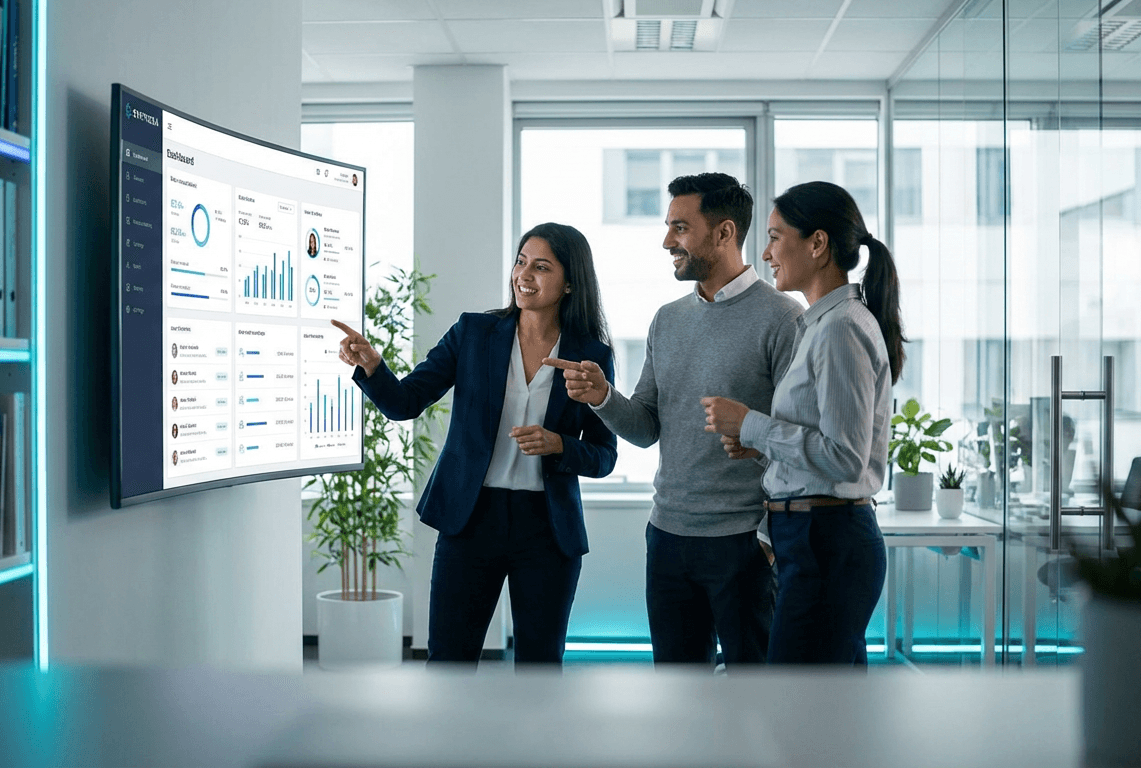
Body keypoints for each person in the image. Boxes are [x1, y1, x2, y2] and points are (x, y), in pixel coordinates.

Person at [332, 222, 617, 666]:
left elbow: (604, 456)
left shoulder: (591, 356)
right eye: (521, 261)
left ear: (570, 283)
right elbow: (406, 402)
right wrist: (373, 367)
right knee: (449, 660)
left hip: (546, 529)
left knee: (541, 665)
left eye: (541, 267)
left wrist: (559, 445)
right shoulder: (473, 333)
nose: (524, 274)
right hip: (470, 518)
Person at [550, 173, 804, 668]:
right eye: (669, 227)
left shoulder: (783, 319)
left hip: (745, 542)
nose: (667, 241)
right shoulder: (667, 319)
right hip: (667, 536)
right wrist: (603, 397)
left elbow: (798, 437)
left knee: (759, 698)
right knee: (676, 695)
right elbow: (645, 428)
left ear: (725, 233)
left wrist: (768, 542)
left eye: (681, 228)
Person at [701, 180, 906, 666]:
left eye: (775, 237)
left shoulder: (839, 330)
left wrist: (751, 424)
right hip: (814, 539)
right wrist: (765, 448)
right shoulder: (822, 324)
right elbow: (827, 441)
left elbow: (844, 456)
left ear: (817, 244)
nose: (766, 252)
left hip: (827, 542)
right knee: (824, 713)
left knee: (799, 714)